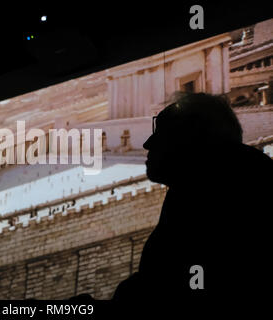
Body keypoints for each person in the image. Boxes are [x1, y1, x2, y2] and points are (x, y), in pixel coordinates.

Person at [71, 93, 272, 313]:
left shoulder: (219, 197)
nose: (148, 143)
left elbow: (171, 295)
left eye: (162, 133)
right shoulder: (201, 188)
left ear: (194, 138)